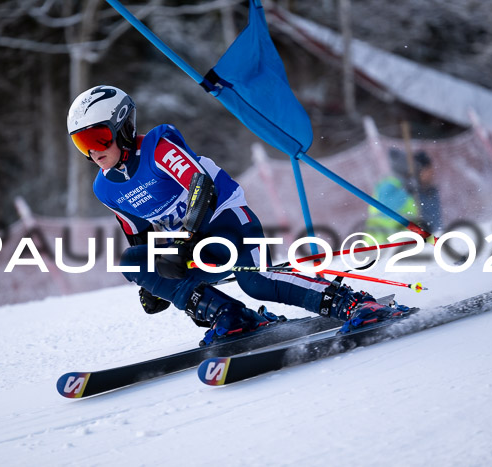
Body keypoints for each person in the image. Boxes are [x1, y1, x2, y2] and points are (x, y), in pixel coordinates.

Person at [67, 85, 413, 344]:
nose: (94, 151)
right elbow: (140, 236)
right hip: (190, 246)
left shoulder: (158, 148)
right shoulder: (105, 188)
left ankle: (352, 305)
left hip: (227, 223)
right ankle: (230, 317)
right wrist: (152, 283)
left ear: (123, 128)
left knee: (257, 282)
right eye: (83, 144)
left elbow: (201, 184)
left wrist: (186, 239)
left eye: (99, 138)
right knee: (132, 261)